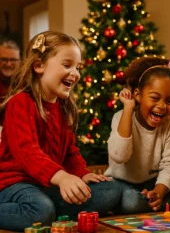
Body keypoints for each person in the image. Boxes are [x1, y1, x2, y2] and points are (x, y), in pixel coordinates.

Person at [0, 31, 120, 232]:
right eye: (67, 65)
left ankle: (46, 209)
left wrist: (81, 173)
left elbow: (70, 151)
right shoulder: (20, 103)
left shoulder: (63, 106)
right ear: (39, 66)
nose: (75, 73)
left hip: (46, 185)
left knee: (110, 191)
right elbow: (27, 151)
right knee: (40, 212)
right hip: (14, 184)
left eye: (78, 67)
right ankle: (42, 211)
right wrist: (62, 177)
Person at [105, 56, 170, 214]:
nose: (161, 106)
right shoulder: (121, 117)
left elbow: (169, 164)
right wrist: (128, 108)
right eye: (155, 98)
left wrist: (159, 191)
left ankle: (152, 201)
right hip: (122, 183)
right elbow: (119, 156)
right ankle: (150, 204)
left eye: (169, 101)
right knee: (129, 200)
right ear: (138, 95)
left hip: (153, 182)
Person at [0, 39, 20, 134]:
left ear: (19, 61)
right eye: (4, 59)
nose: (8, 64)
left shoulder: (26, 83)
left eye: (13, 60)